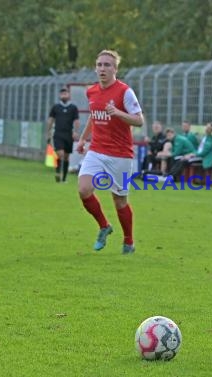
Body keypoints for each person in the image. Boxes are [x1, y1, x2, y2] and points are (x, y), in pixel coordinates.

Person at [76, 49, 144, 254]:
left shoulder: (125, 92)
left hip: (120, 154)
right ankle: (104, 226)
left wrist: (118, 112)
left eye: (107, 65)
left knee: (119, 200)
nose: (102, 69)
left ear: (115, 69)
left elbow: (139, 120)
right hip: (96, 149)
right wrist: (82, 139)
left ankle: (128, 241)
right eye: (99, 65)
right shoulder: (92, 91)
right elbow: (93, 116)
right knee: (83, 189)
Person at [46, 87, 80, 183]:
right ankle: (57, 173)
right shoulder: (56, 107)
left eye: (65, 94)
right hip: (58, 134)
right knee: (60, 154)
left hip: (68, 134)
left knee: (66, 156)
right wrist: (48, 132)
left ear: (69, 95)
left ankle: (64, 178)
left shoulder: (73, 107)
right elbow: (50, 120)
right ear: (59, 96)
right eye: (62, 94)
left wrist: (76, 131)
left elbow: (76, 121)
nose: (64, 95)